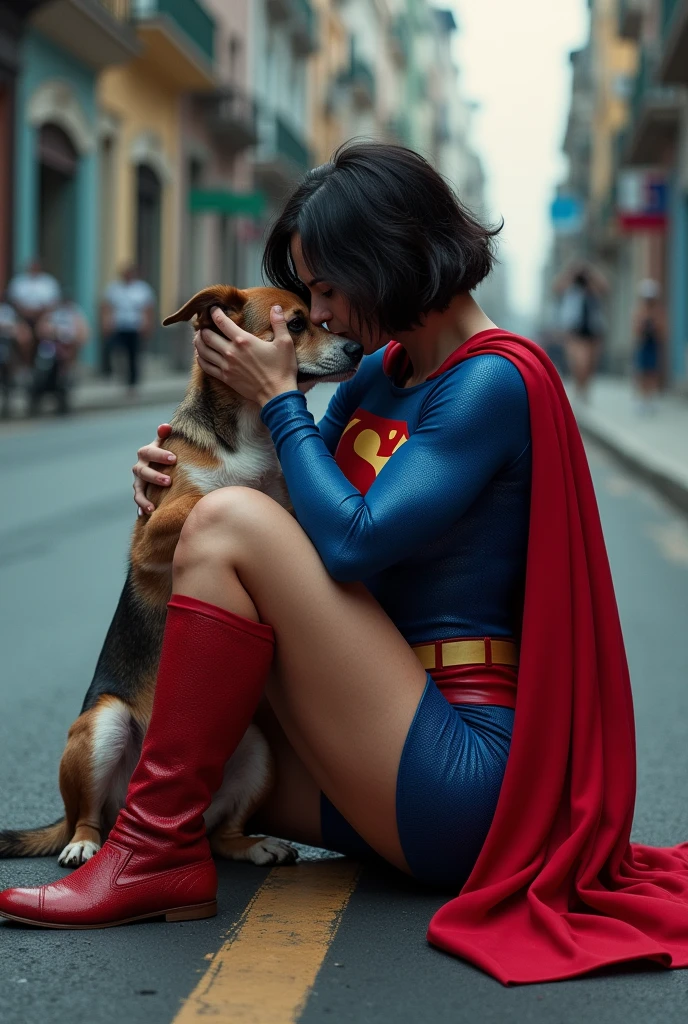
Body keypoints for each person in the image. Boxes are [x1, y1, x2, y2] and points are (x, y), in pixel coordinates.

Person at [3, 144, 688, 986]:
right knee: (139, 755)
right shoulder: (385, 374)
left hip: (462, 772)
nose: (318, 316)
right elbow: (292, 516)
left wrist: (282, 402)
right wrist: (173, 478)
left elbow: (352, 541)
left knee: (223, 525)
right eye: (306, 296)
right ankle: (154, 837)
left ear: (386, 257)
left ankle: (149, 857)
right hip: (376, 741)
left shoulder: (490, 382)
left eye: (326, 291)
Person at [554, 261, 607, 401]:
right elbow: (557, 287)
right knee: (578, 362)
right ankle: (579, 387)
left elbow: (605, 287)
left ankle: (585, 388)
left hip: (593, 329)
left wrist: (590, 274)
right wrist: (572, 273)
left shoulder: (593, 289)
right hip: (574, 330)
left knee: (590, 363)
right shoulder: (571, 289)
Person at [29, 295, 89, 415]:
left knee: (65, 373)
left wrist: (71, 340)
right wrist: (52, 333)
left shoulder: (75, 315)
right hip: (49, 349)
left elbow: (82, 334)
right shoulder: (50, 314)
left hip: (66, 349)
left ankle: (63, 388)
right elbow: (41, 330)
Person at [101, 264, 155, 395]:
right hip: (119, 326)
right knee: (114, 350)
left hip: (134, 326)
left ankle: (132, 383)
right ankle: (112, 373)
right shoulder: (114, 289)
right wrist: (106, 323)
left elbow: (148, 309)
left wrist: (147, 325)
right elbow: (106, 306)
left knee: (133, 355)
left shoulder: (142, 289)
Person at [7, 259, 61, 360]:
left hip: (43, 318)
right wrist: (25, 313)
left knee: (47, 333)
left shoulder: (48, 282)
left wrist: (41, 315)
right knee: (23, 339)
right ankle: (25, 364)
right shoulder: (19, 282)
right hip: (22, 319)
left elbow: (53, 304)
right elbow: (14, 303)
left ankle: (45, 364)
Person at [632, 278, 666, 414]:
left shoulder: (659, 312)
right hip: (642, 345)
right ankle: (642, 398)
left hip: (653, 346)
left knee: (652, 371)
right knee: (641, 371)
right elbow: (636, 329)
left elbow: (662, 330)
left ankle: (650, 397)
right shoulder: (639, 311)